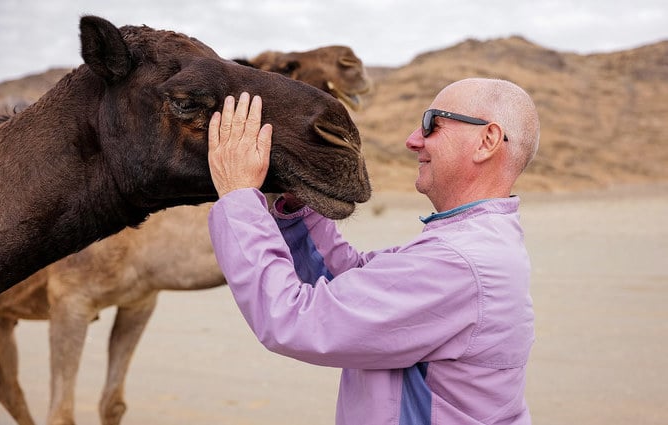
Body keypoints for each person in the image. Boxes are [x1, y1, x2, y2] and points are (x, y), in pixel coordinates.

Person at [207, 79, 540, 424]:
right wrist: (299, 205)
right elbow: (351, 282)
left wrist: (238, 195)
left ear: (486, 141)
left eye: (432, 124)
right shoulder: (474, 243)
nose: (413, 141)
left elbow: (295, 319)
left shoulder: (459, 261)